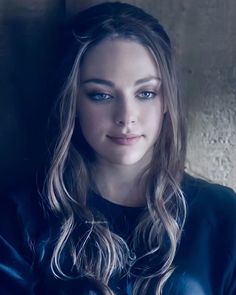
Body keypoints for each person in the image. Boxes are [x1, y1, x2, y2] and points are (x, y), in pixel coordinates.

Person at [0, 2, 236, 295]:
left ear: (167, 101)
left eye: (146, 93)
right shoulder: (19, 218)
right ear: (72, 101)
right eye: (101, 95)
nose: (126, 116)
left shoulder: (223, 215)